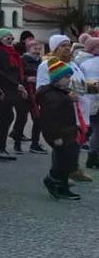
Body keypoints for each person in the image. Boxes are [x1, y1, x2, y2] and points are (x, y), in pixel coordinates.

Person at [37, 35, 95, 183]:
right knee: (64, 145)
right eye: (63, 46)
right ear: (55, 48)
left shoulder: (72, 63)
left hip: (80, 109)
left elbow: (79, 83)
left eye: (68, 45)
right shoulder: (47, 65)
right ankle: (59, 174)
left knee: (76, 143)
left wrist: (93, 87)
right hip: (65, 111)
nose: (67, 48)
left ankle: (73, 169)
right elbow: (43, 88)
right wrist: (68, 94)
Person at [38, 60, 82, 200]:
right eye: (67, 77)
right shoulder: (52, 96)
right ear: (57, 79)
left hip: (68, 131)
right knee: (63, 161)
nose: (69, 81)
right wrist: (56, 136)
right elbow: (50, 118)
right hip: (60, 133)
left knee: (68, 158)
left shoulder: (61, 92)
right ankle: (54, 181)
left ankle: (62, 185)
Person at [0, 28, 28, 158]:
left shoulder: (11, 52)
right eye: (7, 38)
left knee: (8, 116)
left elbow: (17, 70)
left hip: (11, 88)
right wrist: (16, 84)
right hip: (1, 88)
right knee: (6, 116)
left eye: (11, 39)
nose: (10, 41)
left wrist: (20, 84)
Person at [20, 39, 48, 154]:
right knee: (21, 118)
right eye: (34, 49)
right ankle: (17, 143)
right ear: (28, 49)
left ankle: (35, 143)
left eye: (39, 49)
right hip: (25, 92)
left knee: (38, 119)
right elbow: (18, 74)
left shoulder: (41, 61)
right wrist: (26, 79)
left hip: (37, 93)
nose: (37, 51)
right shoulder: (22, 60)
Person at [78, 36, 99, 168]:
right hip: (93, 100)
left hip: (89, 101)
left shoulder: (82, 62)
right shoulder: (88, 63)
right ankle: (92, 156)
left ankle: (93, 156)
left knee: (95, 129)